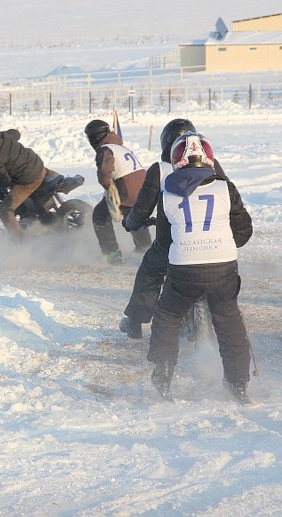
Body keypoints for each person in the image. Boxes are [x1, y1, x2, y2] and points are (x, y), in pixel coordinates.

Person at [146, 132, 254, 404]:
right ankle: (238, 384)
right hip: (222, 267)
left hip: (184, 268)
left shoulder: (166, 192)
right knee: (229, 323)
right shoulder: (225, 187)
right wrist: (222, 243)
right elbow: (243, 231)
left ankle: (164, 374)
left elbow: (163, 241)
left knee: (168, 318)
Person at [118, 118, 249, 339]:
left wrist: (130, 223)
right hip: (211, 243)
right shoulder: (211, 165)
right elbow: (228, 197)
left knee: (150, 273)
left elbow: (142, 208)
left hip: (173, 243)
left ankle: (135, 321)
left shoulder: (159, 169)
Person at [0, 129, 58, 240]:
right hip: (37, 165)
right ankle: (33, 214)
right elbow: (15, 133)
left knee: (4, 210)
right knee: (16, 185)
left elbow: (3, 180)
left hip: (30, 178)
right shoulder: (1, 136)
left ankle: (21, 239)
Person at [83, 119, 152, 264]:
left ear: (94, 137)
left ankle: (112, 255)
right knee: (135, 217)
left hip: (126, 186)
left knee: (100, 216)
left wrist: (107, 186)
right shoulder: (120, 146)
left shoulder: (105, 149)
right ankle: (145, 250)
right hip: (144, 186)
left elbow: (105, 172)